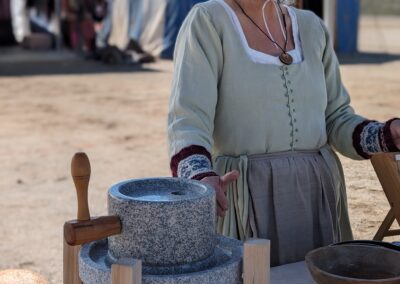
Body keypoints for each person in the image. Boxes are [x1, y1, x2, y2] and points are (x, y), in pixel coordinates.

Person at [167, 0, 400, 266]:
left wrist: (386, 134)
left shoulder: (311, 27)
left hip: (316, 196)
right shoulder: (208, 22)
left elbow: (336, 118)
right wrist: (200, 178)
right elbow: (188, 120)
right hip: (246, 197)